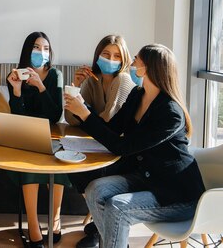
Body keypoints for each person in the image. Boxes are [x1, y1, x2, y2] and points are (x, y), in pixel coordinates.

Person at [64, 44, 205, 248]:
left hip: (176, 194)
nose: (131, 64)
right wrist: (82, 107)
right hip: (146, 178)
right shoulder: (137, 95)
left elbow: (123, 146)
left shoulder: (170, 112)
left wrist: (85, 114)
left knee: (117, 207)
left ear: (148, 68)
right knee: (95, 189)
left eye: (136, 60)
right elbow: (111, 129)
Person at [7, 32, 69, 248]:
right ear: (27, 50)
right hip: (26, 137)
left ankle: (55, 220)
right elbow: (18, 118)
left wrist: (41, 88)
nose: (41, 52)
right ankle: (33, 226)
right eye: (36, 47)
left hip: (51, 135)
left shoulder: (55, 75)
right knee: (29, 164)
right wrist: (16, 92)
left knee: (58, 161)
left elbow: (54, 115)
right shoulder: (17, 75)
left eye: (45, 48)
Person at [65, 35, 135, 125]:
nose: (110, 59)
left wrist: (84, 114)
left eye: (117, 56)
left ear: (123, 59)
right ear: (98, 55)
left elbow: (108, 121)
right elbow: (72, 120)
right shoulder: (92, 80)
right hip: (94, 136)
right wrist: (76, 85)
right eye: (106, 54)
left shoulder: (123, 79)